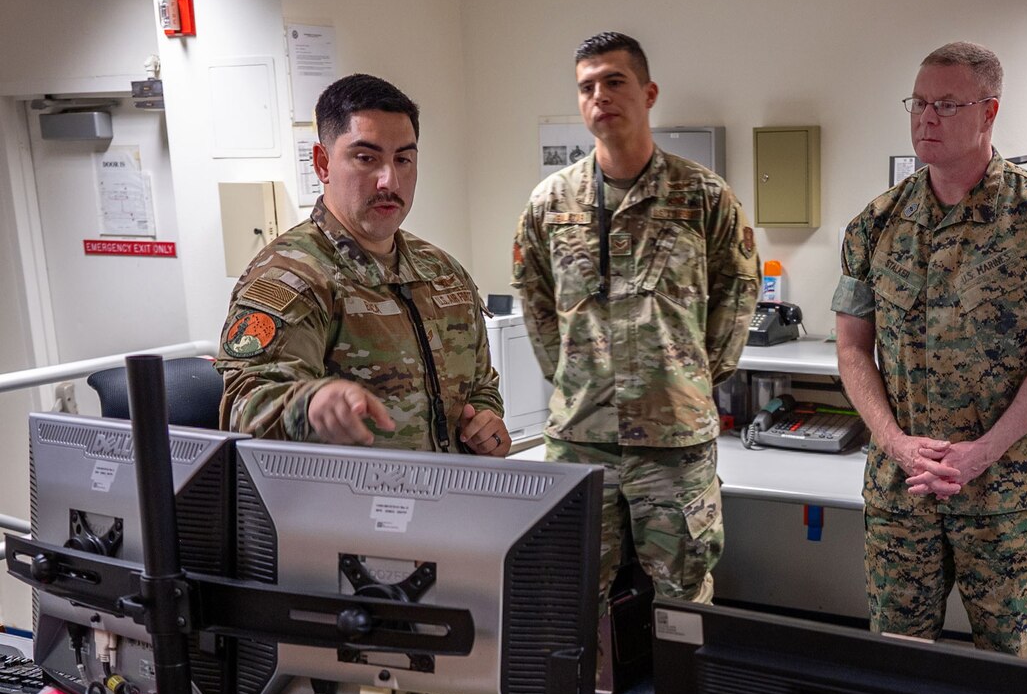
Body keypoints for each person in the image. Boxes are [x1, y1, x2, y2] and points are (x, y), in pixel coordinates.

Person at [832, 42, 1027, 657]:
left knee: (1011, 668)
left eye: (946, 104)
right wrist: (895, 442)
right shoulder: (874, 223)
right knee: (897, 661)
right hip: (904, 488)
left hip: (1002, 491)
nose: (927, 118)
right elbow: (851, 348)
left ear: (989, 112)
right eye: (919, 103)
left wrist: (980, 453)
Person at [513, 32, 760, 609]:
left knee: (684, 596)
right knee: (567, 593)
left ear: (648, 93)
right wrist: (577, 379)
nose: (600, 95)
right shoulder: (550, 202)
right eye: (587, 86)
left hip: (674, 438)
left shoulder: (704, 196)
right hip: (581, 439)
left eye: (614, 81)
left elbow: (737, 295)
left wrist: (689, 377)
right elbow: (536, 303)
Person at [217, 73, 508, 455]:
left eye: (403, 159)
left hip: (447, 501)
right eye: (366, 158)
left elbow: (481, 386)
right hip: (347, 508)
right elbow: (243, 409)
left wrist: (487, 421)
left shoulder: (442, 273)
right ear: (322, 164)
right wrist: (311, 405)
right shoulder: (292, 276)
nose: (389, 180)